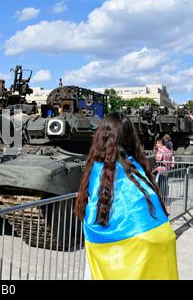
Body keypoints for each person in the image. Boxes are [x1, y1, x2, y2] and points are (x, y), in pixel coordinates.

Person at [75, 112, 178, 280]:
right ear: (130, 137)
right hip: (154, 243)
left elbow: (92, 213)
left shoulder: (96, 169)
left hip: (116, 248)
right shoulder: (137, 167)